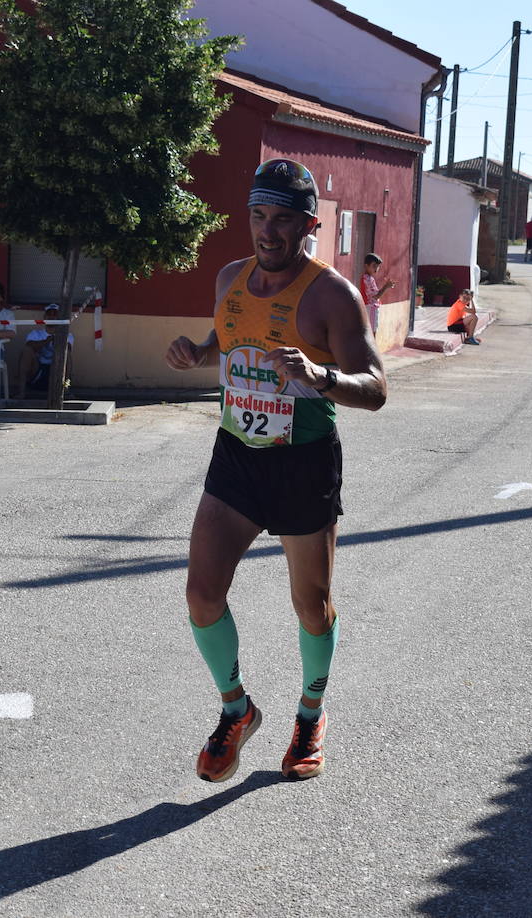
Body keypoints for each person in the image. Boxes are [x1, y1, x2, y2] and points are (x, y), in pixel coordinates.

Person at [164, 158, 387, 783]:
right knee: (201, 594)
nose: (268, 232)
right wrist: (197, 351)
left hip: (304, 463)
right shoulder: (230, 277)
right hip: (236, 454)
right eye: (258, 216)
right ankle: (237, 710)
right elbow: (226, 336)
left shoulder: (332, 295)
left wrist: (320, 376)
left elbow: (376, 388)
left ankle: (311, 715)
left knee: (311, 607)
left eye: (283, 220)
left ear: (308, 224)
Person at [20, 303, 74, 392]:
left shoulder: (68, 335)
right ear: (45, 317)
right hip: (38, 371)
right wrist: (46, 341)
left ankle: (66, 389)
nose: (52, 317)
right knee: (26, 351)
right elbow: (29, 345)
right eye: (49, 314)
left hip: (57, 373)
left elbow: (69, 347)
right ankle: (21, 392)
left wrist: (57, 341)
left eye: (55, 314)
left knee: (67, 353)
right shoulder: (35, 334)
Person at [358, 253, 395, 334]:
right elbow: (375, 296)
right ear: (366, 266)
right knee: (372, 332)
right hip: (370, 308)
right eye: (374, 266)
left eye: (378, 266)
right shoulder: (367, 279)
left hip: (370, 308)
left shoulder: (369, 278)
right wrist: (386, 286)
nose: (376, 268)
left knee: (371, 331)